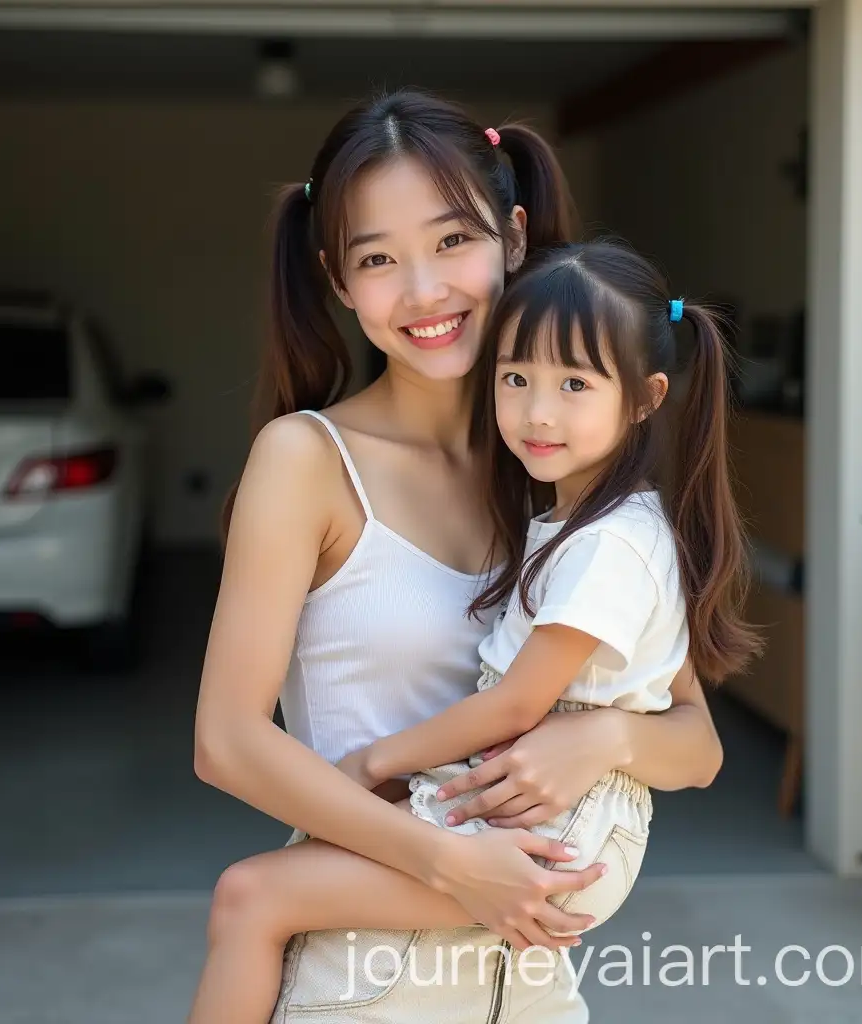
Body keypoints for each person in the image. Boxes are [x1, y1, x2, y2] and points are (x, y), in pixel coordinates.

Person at [191, 90, 724, 1024]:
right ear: (339, 281)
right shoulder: (308, 462)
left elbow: (696, 744)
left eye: (451, 242)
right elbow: (227, 741)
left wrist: (601, 737)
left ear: (513, 238)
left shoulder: (556, 472)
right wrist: (449, 861)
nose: (425, 291)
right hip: (368, 983)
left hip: (530, 982)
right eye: (378, 260)